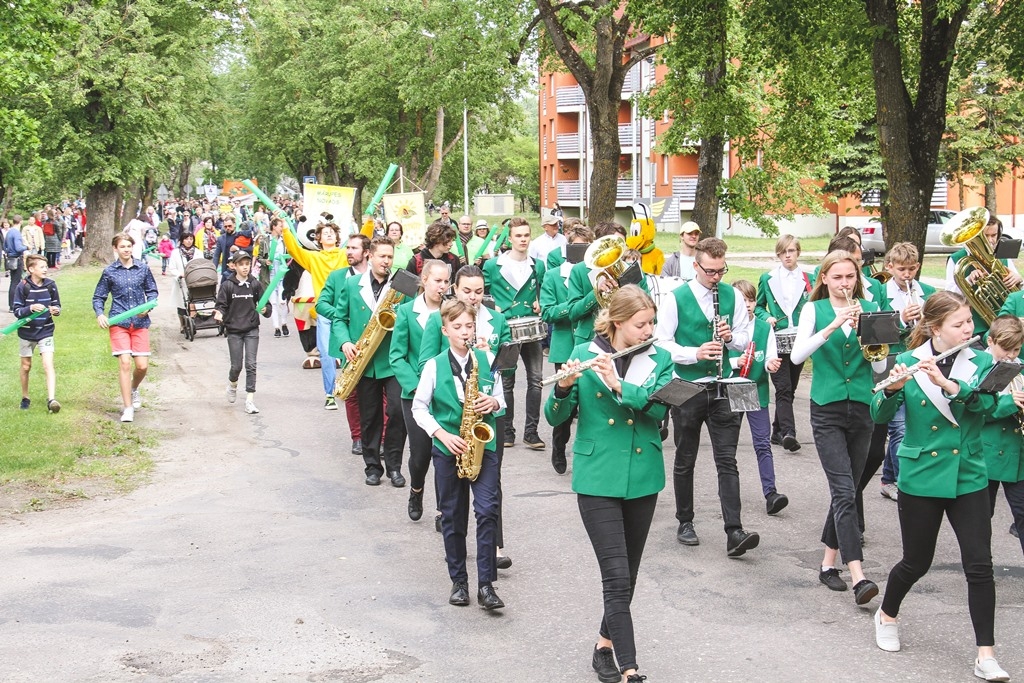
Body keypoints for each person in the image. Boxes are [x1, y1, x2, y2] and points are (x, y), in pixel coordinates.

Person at [870, 292, 1009, 682]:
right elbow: (877, 413)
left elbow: (988, 407)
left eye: (969, 321)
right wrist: (893, 388)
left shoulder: (981, 361)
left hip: (968, 473)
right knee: (917, 561)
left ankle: (986, 655)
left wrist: (949, 385)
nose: (970, 329)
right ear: (935, 329)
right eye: (960, 324)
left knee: (980, 566)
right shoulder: (906, 361)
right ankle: (887, 613)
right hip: (921, 474)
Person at [545, 285, 674, 683]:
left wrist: (621, 385)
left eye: (651, 322)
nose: (648, 330)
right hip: (598, 475)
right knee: (616, 576)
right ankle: (629, 666)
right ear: (617, 323)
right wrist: (564, 388)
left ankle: (604, 644)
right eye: (640, 324)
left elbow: (660, 409)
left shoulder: (661, 359)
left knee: (628, 573)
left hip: (643, 475)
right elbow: (554, 417)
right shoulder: (585, 354)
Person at [654, 237, 759, 555]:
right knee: (685, 457)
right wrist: (693, 352)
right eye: (711, 271)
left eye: (721, 270)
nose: (717, 277)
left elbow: (745, 337)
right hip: (687, 384)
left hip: (727, 383)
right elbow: (661, 342)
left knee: (728, 459)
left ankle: (735, 531)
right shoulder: (675, 297)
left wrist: (732, 338)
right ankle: (685, 521)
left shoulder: (732, 295)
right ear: (696, 265)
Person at [790, 249, 885, 603]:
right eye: (838, 277)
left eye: (850, 277)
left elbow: (879, 368)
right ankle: (858, 575)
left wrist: (867, 333)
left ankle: (828, 565)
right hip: (827, 408)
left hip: (862, 407)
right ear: (825, 279)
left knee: (849, 488)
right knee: (844, 491)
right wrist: (832, 325)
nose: (845, 284)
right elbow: (798, 356)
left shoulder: (870, 309)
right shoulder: (814, 309)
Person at [412, 299, 506, 610]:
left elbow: (501, 400)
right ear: (445, 330)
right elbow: (419, 408)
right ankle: (459, 581)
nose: (464, 332)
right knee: (453, 516)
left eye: (469, 326)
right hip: (449, 448)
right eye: (457, 327)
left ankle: (486, 585)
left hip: (483, 447)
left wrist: (492, 403)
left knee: (487, 510)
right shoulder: (433, 365)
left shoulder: (487, 358)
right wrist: (441, 433)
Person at [322, 236, 407, 487]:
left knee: (396, 413)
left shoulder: (401, 285)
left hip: (392, 360)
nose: (386, 261)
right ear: (370, 256)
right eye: (382, 256)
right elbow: (339, 319)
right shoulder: (351, 284)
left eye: (390, 257)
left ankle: (394, 466)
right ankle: (372, 467)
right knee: (369, 417)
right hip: (363, 361)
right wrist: (345, 342)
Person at [875, 242, 936, 502]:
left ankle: (888, 477)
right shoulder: (879, 291)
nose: (907, 275)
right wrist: (900, 318)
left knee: (909, 424)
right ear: (890, 267)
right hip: (892, 362)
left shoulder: (929, 292)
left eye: (912, 269)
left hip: (920, 361)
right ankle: (904, 482)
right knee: (899, 426)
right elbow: (874, 329)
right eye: (901, 269)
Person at [391, 260, 451, 522]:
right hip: (415, 393)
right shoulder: (406, 311)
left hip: (447, 395)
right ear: (424, 280)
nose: (443, 286)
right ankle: (416, 489)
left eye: (446, 281)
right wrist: (417, 387)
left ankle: (443, 510)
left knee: (444, 455)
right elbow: (397, 357)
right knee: (421, 453)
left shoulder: (452, 311)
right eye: (438, 281)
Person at [483, 217, 546, 449]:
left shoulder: (537, 265)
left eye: (526, 235)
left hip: (531, 327)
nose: (523, 239)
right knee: (507, 381)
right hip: (506, 328)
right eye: (518, 236)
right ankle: (507, 431)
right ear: (509, 239)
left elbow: (542, 291)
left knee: (536, 380)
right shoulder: (493, 265)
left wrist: (541, 301)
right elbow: (483, 293)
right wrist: (494, 307)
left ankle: (532, 432)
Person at [540, 223, 595, 474]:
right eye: (575, 247)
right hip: (566, 345)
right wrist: (579, 306)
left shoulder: (596, 273)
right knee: (566, 401)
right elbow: (548, 312)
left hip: (591, 343)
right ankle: (558, 444)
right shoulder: (553, 275)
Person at [733, 279, 789, 515]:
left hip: (756, 389)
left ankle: (771, 492)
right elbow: (718, 360)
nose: (746, 305)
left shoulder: (765, 328)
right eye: (741, 300)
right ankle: (729, 491)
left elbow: (769, 356)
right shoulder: (728, 326)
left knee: (762, 443)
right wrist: (735, 361)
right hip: (735, 388)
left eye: (750, 300)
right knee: (728, 446)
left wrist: (771, 364)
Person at [282, 220, 349, 410]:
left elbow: (364, 243)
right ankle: (330, 393)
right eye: (324, 232)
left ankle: (349, 387)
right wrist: (286, 229)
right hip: (326, 312)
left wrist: (369, 222)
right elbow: (295, 250)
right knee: (327, 354)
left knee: (349, 352)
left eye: (332, 232)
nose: (329, 234)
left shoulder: (346, 254)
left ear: (337, 237)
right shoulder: (313, 258)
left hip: (346, 312)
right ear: (318, 239)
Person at [92, 234, 159, 423]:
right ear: (116, 249)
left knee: (142, 366)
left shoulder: (142, 268)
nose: (126, 249)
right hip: (119, 322)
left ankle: (133, 388)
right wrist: (100, 314)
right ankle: (127, 407)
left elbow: (152, 291)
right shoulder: (109, 272)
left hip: (139, 324)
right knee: (125, 363)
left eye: (129, 246)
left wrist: (147, 308)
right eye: (122, 246)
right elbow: (99, 297)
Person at [755, 234, 811, 452]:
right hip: (777, 338)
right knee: (783, 387)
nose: (788, 256)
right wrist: (765, 317)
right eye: (783, 252)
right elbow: (758, 306)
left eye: (792, 251)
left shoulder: (809, 277)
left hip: (800, 337)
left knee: (792, 386)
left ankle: (777, 431)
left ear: (798, 252)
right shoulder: (767, 278)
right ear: (778, 254)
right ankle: (789, 433)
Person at [982, 315, 1024, 555]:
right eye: (1005, 348)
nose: (1011, 355)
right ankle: (981, 568)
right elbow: (975, 411)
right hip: (985, 453)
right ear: (990, 342)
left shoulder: (1021, 368)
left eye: (1016, 349)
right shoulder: (980, 368)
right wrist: (1010, 403)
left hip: (1016, 454)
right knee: (980, 517)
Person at [214, 251, 271, 415]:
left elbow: (265, 303)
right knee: (236, 366)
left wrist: (266, 309)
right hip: (234, 330)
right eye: (241, 264)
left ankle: (250, 400)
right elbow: (221, 305)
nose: (245, 267)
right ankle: (232, 384)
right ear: (234, 266)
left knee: (251, 364)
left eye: (247, 264)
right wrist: (219, 313)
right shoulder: (228, 285)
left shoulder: (255, 284)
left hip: (252, 328)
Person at [946, 214, 1022, 336]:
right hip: (975, 328)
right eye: (986, 236)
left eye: (994, 235)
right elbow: (949, 296)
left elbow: (1019, 292)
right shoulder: (956, 259)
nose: (991, 240)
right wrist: (967, 281)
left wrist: (1019, 281)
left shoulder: (1002, 256)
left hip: (1006, 325)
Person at [13, 255, 61, 413]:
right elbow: (17, 311)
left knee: (48, 365)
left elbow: (57, 305)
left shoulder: (50, 285)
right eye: (42, 267)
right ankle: (25, 397)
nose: (46, 269)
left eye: (46, 266)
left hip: (46, 331)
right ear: (31, 269)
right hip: (26, 333)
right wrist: (31, 308)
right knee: (26, 366)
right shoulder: (23, 286)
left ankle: (52, 399)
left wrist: (56, 310)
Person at [166, 232, 204, 333]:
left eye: (191, 239)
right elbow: (172, 267)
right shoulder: (175, 252)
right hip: (181, 281)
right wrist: (179, 274)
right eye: (187, 239)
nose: (189, 241)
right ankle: (182, 324)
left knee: (193, 302)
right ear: (182, 240)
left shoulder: (199, 252)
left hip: (195, 281)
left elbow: (202, 265)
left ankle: (192, 323)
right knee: (181, 304)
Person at [5, 215, 28, 311]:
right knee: (16, 282)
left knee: (13, 282)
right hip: (17, 259)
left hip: (10, 258)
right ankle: (14, 305)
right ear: (21, 222)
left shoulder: (9, 232)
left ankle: (11, 305)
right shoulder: (16, 233)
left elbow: (5, 246)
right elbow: (18, 248)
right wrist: (26, 247)